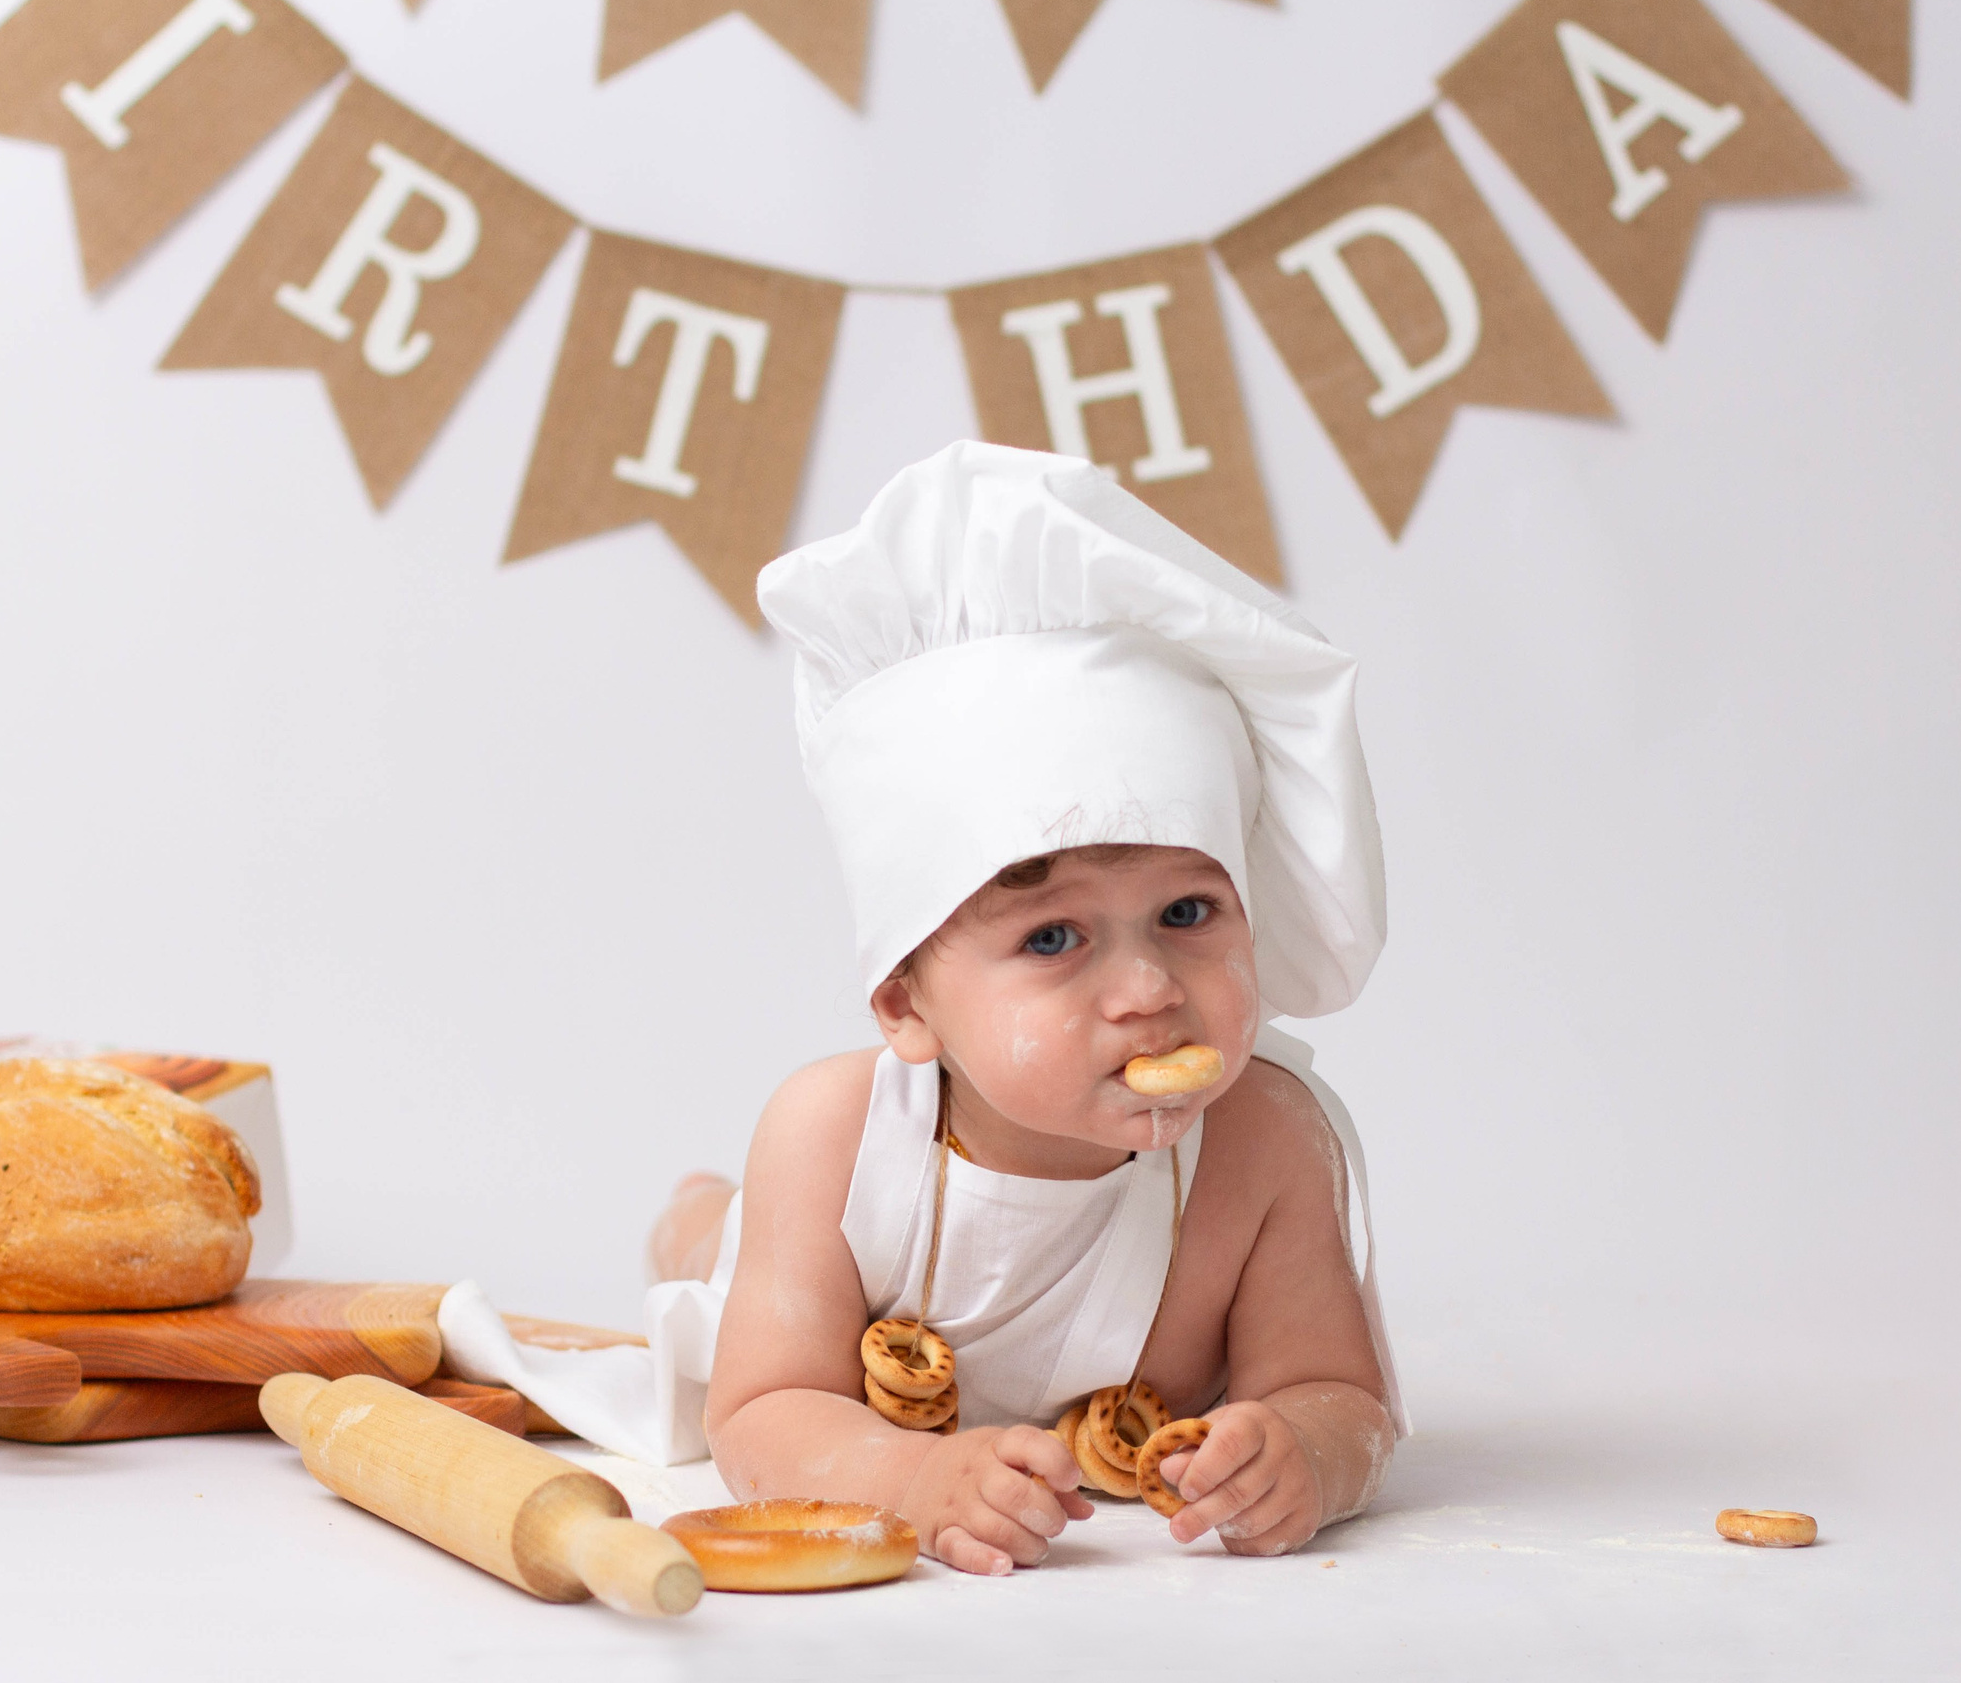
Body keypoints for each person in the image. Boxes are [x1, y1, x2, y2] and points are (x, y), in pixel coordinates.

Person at [441, 441, 1403, 1574]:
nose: (1148, 988)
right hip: (794, 1250)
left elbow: (1341, 1390)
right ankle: (699, 1214)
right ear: (906, 1005)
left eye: (1189, 912)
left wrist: (1302, 1448)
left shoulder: (1267, 1146)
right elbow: (765, 1407)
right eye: (1054, 937)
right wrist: (910, 1474)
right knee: (719, 1260)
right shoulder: (834, 1138)